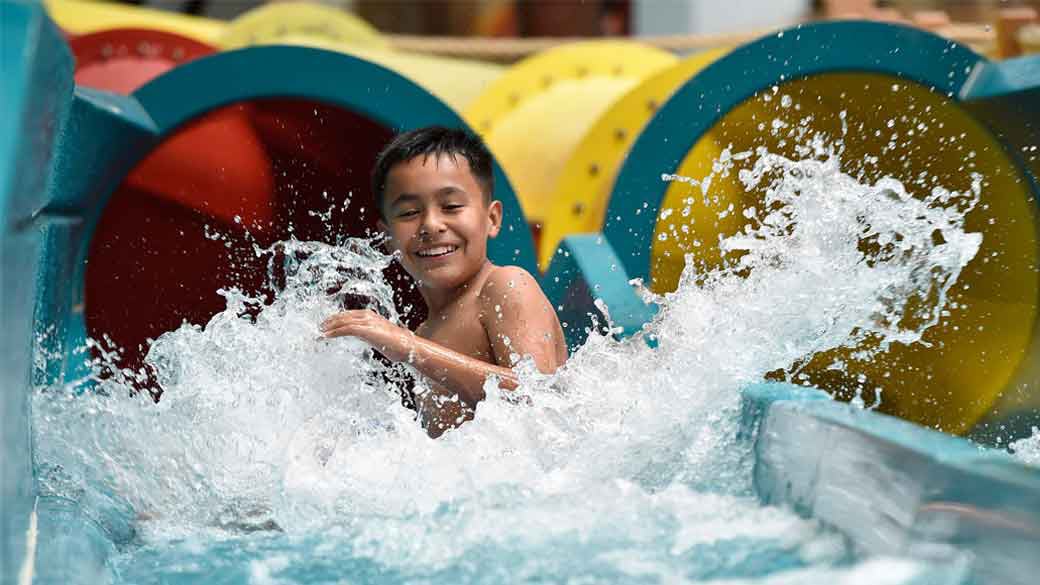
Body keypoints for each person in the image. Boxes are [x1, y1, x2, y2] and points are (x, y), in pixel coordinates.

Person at [319, 127, 568, 438]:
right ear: (386, 237)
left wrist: (408, 347)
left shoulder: (505, 285)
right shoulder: (426, 332)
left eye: (451, 207)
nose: (431, 225)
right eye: (409, 212)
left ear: (492, 219)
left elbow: (540, 399)